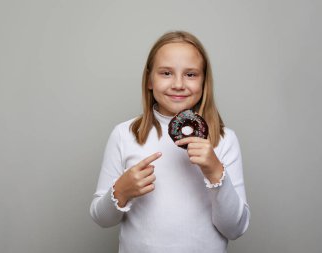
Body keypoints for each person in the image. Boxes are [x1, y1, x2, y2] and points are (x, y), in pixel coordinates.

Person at [90, 31, 250, 253]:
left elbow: (235, 228)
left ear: (205, 81)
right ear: (149, 80)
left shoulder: (223, 140)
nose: (178, 84)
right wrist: (122, 190)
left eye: (191, 75)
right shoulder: (125, 134)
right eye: (166, 73)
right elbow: (101, 218)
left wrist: (215, 172)